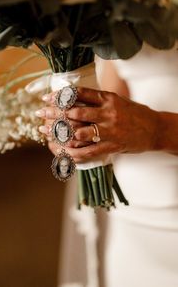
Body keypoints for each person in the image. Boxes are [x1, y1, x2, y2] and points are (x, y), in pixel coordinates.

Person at [36, 41, 178, 287]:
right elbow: (116, 91)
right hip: (133, 227)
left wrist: (158, 130)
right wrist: (82, 131)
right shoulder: (116, 3)